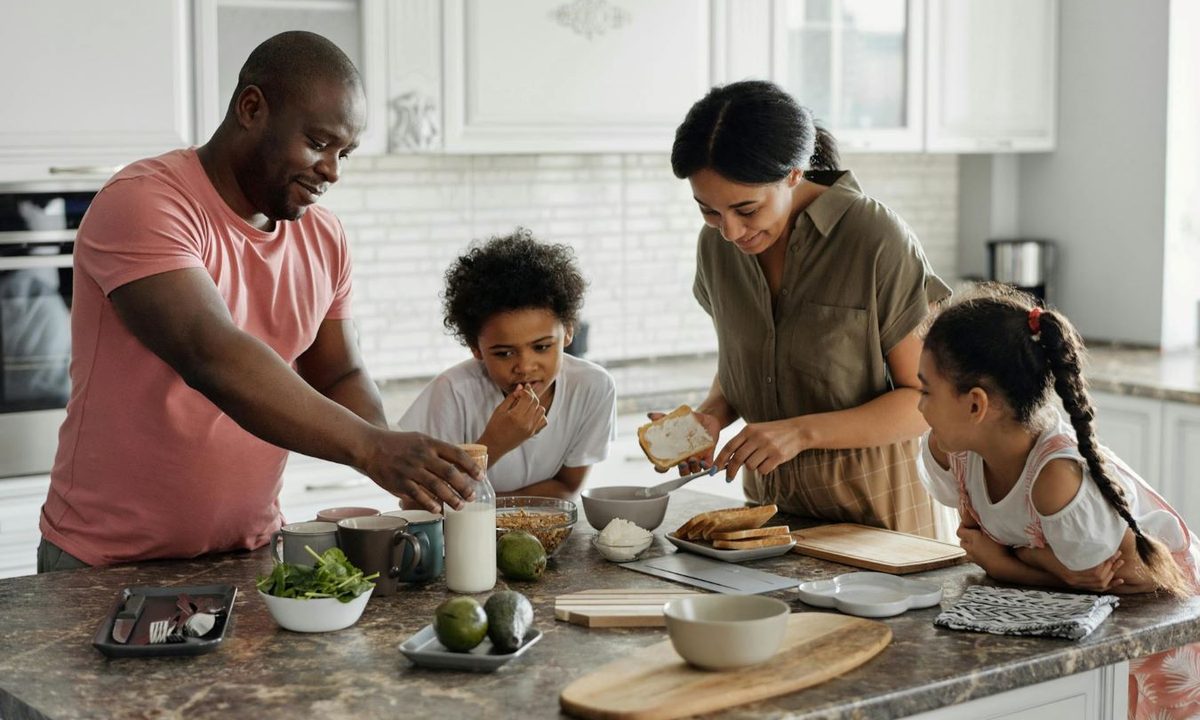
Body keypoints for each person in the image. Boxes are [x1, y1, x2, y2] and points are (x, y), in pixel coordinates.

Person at [37, 31, 480, 572]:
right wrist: (371, 448)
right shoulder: (144, 202)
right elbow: (212, 355)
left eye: (345, 153)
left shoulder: (324, 236)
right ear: (251, 108)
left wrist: (396, 461)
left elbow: (339, 372)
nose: (333, 170)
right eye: (319, 143)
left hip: (250, 553)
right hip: (106, 562)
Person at [664, 80, 950, 536]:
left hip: (882, 525)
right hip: (770, 524)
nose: (731, 232)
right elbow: (747, 362)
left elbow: (927, 402)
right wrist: (711, 417)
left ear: (795, 173)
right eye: (709, 211)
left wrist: (800, 433)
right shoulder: (716, 248)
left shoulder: (873, 237)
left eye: (747, 209)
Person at [917, 284, 1199, 720]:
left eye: (926, 391)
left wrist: (1008, 563)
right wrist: (1047, 564)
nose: (919, 406)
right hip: (1093, 620)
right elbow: (989, 546)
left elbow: (1116, 580)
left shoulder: (1054, 478)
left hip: (1162, 620)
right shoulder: (953, 449)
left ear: (976, 405)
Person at [398, 229, 616, 500]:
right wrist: (494, 444)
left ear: (568, 331)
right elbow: (415, 502)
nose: (524, 367)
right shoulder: (453, 393)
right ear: (476, 348)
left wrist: (490, 507)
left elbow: (567, 487)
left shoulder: (593, 387)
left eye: (542, 347)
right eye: (504, 353)